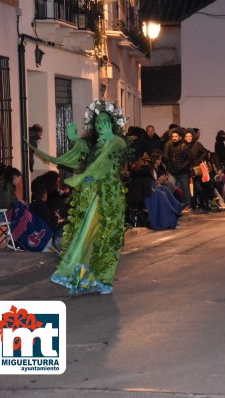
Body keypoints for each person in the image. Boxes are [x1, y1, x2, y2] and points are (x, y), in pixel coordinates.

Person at [28, 99, 129, 295]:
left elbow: (121, 146)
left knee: (108, 238)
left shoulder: (117, 141)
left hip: (109, 197)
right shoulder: (94, 145)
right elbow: (82, 154)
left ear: (112, 124)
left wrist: (112, 139)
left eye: (105, 122)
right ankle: (83, 277)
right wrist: (74, 140)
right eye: (98, 123)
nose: (101, 126)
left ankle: (104, 279)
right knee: (85, 236)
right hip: (91, 196)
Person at [127, 159, 182, 230]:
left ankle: (173, 211)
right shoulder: (146, 177)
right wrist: (154, 191)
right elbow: (147, 192)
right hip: (141, 200)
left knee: (160, 192)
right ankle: (171, 214)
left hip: (135, 200)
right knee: (160, 194)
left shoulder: (135, 177)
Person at [184, 129, 211, 212]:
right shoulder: (183, 146)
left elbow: (205, 152)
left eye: (190, 136)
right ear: (184, 137)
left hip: (197, 169)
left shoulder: (197, 144)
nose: (189, 138)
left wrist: (200, 160)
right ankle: (194, 205)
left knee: (198, 187)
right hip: (187, 169)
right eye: (187, 136)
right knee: (192, 188)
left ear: (193, 137)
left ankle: (203, 204)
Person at [164, 130, 192, 208]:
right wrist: (169, 168)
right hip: (172, 171)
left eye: (176, 136)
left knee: (185, 188)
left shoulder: (184, 146)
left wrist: (182, 166)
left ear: (180, 137)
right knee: (171, 187)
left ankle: (187, 204)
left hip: (182, 172)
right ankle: (173, 203)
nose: (174, 138)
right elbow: (166, 157)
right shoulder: (169, 145)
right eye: (173, 136)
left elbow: (189, 158)